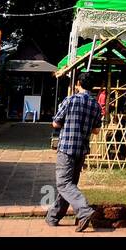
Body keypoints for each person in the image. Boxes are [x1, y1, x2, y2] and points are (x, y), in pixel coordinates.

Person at [47, 71, 105, 230]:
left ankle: (85, 210)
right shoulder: (95, 104)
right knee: (69, 185)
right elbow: (96, 130)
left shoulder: (70, 100)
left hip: (66, 148)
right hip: (82, 149)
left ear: (78, 83)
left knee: (64, 184)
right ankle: (53, 216)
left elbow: (56, 123)